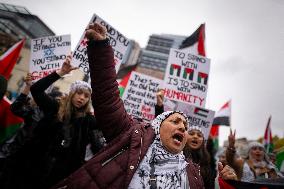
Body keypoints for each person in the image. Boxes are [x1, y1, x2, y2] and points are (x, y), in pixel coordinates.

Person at [52, 23, 237, 189]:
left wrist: (222, 185)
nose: (182, 126)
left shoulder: (194, 175)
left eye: (185, 126)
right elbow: (107, 100)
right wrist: (100, 48)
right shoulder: (132, 138)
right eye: (175, 121)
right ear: (157, 126)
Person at [12, 57, 104, 189]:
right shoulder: (54, 107)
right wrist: (61, 72)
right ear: (72, 93)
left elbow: (109, 123)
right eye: (79, 93)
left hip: (60, 178)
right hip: (32, 168)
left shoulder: (88, 120)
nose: (82, 98)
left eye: (86, 96)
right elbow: (36, 90)